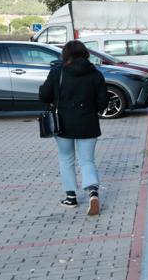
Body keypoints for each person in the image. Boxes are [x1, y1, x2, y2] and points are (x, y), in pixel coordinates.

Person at [39, 40, 108, 215]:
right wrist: (92, 110)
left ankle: (71, 197)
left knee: (66, 159)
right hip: (88, 122)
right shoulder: (95, 74)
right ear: (85, 53)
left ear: (65, 54)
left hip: (63, 123)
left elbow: (44, 95)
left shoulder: (57, 72)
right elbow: (103, 102)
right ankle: (93, 192)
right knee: (87, 161)